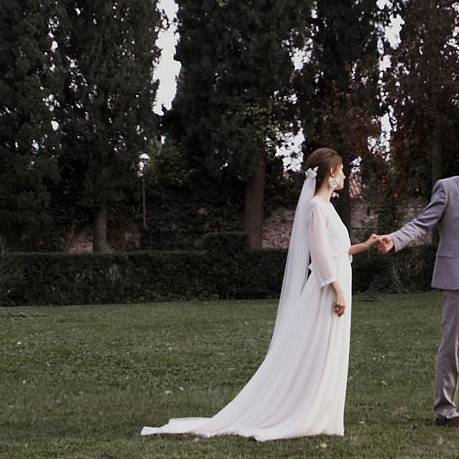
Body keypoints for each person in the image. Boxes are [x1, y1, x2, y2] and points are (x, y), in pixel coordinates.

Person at [143, 148, 355, 441]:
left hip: (335, 282)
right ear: (331, 172)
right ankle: (306, 409)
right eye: (342, 170)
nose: (345, 175)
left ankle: (324, 411)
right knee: (318, 347)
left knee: (329, 348)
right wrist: (336, 288)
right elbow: (319, 254)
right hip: (326, 290)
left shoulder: (328, 208)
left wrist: (367, 245)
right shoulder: (316, 208)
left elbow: (337, 251)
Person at [354, 130, 459, 427]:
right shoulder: (447, 188)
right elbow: (423, 223)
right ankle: (446, 412)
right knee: (452, 344)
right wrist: (395, 240)